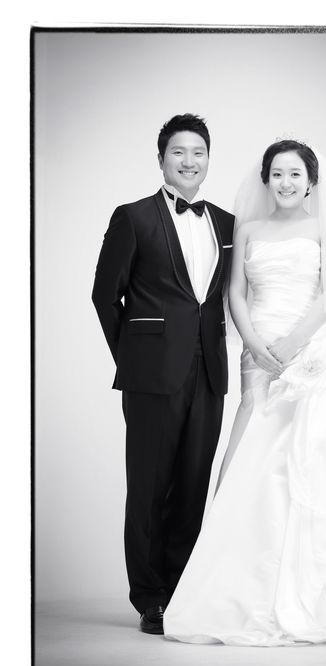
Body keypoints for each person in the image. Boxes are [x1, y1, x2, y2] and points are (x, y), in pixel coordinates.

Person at [161, 139, 326, 646]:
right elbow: (235, 292)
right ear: (266, 180)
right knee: (245, 456)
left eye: (294, 174)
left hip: (304, 349)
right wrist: (253, 343)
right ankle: (237, 590)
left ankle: (312, 588)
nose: (285, 183)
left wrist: (291, 344)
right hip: (257, 351)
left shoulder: (322, 228)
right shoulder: (248, 229)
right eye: (277, 174)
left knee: (308, 458)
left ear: (311, 182)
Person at [92, 114, 234, 634]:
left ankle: (181, 592)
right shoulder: (133, 217)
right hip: (151, 375)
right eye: (179, 152)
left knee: (193, 485)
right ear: (161, 159)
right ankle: (150, 597)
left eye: (198, 152)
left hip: (209, 372)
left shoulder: (227, 223)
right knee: (150, 485)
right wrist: (134, 359)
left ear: (208, 159)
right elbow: (104, 295)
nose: (189, 161)